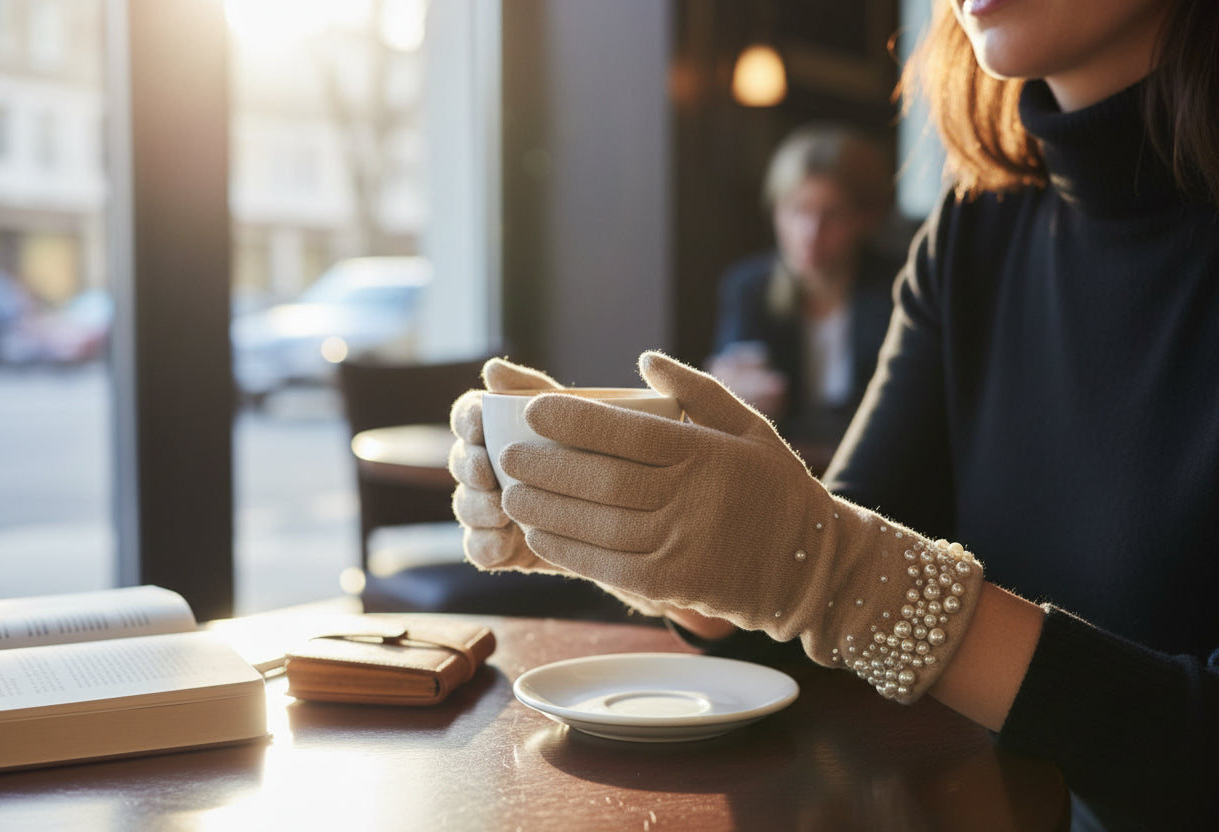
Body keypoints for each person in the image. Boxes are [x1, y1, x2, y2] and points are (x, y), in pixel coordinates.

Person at [448, 1, 1219, 828]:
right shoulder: (976, 231)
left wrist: (842, 580)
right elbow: (820, 615)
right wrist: (639, 542)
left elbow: (845, 584)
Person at [707, 124, 899, 470]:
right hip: (776, 469)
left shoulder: (898, 290)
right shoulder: (749, 287)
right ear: (776, 211)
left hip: (872, 470)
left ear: (865, 218)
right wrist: (723, 390)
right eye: (797, 210)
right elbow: (734, 376)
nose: (810, 233)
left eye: (832, 215)